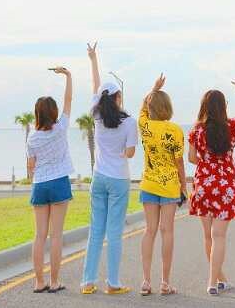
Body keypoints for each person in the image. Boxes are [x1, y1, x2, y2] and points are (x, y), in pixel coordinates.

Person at [188, 79, 235, 295]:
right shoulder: (232, 126)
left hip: (204, 184)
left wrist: (207, 160)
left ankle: (220, 279)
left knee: (208, 236)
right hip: (226, 185)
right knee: (219, 236)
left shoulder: (196, 130)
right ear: (224, 107)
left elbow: (192, 158)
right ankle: (213, 282)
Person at [80, 42, 138, 295]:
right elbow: (130, 153)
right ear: (117, 97)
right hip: (118, 180)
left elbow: (96, 85)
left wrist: (93, 59)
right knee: (114, 233)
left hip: (99, 178)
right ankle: (113, 283)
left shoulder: (96, 115)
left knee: (96, 231)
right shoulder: (129, 122)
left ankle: (87, 282)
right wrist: (121, 149)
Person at [26, 66, 74, 294]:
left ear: (37, 114)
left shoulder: (32, 137)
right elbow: (68, 100)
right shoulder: (61, 128)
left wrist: (34, 178)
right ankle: (54, 282)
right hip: (58, 183)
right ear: (53, 113)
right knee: (56, 235)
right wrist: (68, 76)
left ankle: (38, 282)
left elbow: (30, 167)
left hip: (40, 185)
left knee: (39, 236)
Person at [138, 73, 185, 296]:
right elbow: (179, 163)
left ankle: (146, 281)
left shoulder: (144, 126)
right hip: (169, 187)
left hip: (148, 185)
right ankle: (165, 283)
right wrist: (184, 188)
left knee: (150, 231)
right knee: (167, 232)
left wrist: (153, 88)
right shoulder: (175, 130)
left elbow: (143, 108)